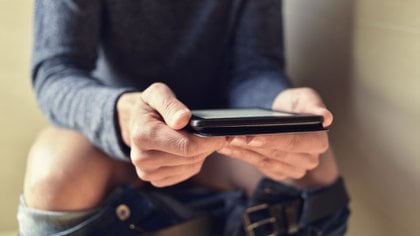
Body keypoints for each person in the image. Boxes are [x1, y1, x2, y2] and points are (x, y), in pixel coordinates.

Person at [18, 0, 350, 235]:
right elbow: (56, 71)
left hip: (218, 146)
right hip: (117, 141)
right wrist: (122, 115)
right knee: (56, 177)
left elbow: (255, 67)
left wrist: (277, 103)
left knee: (312, 167)